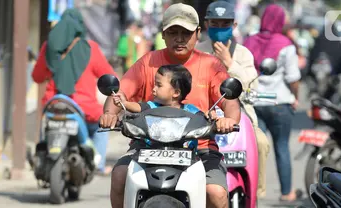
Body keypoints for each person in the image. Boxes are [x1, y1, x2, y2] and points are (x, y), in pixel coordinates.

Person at [99, 3, 241, 208]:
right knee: (120, 176)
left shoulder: (211, 65)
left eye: (186, 33)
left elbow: (230, 102)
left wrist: (228, 120)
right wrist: (109, 113)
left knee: (216, 193)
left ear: (198, 33)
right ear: (163, 35)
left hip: (199, 147)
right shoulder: (147, 62)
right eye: (173, 32)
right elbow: (121, 93)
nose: (180, 38)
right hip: (147, 146)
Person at [195, 0, 270, 198]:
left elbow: (250, 86)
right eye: (215, 24)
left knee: (261, 142)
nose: (219, 29)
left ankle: (255, 192)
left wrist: (229, 62)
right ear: (206, 24)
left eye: (225, 24)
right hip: (205, 113)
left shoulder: (243, 53)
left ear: (234, 26)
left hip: (240, 115)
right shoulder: (198, 51)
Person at [32, 8, 116, 176]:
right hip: (84, 109)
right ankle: (97, 164)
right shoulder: (90, 48)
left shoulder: (49, 47)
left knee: (45, 130)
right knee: (102, 126)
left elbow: (37, 76)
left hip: (53, 105)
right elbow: (109, 76)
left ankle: (41, 160)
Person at [243, 4, 302, 202]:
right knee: (281, 147)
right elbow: (293, 78)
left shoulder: (249, 41)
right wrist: (296, 97)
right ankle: (287, 193)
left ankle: (250, 192)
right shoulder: (286, 44)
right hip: (280, 103)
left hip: (253, 103)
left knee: (255, 149)